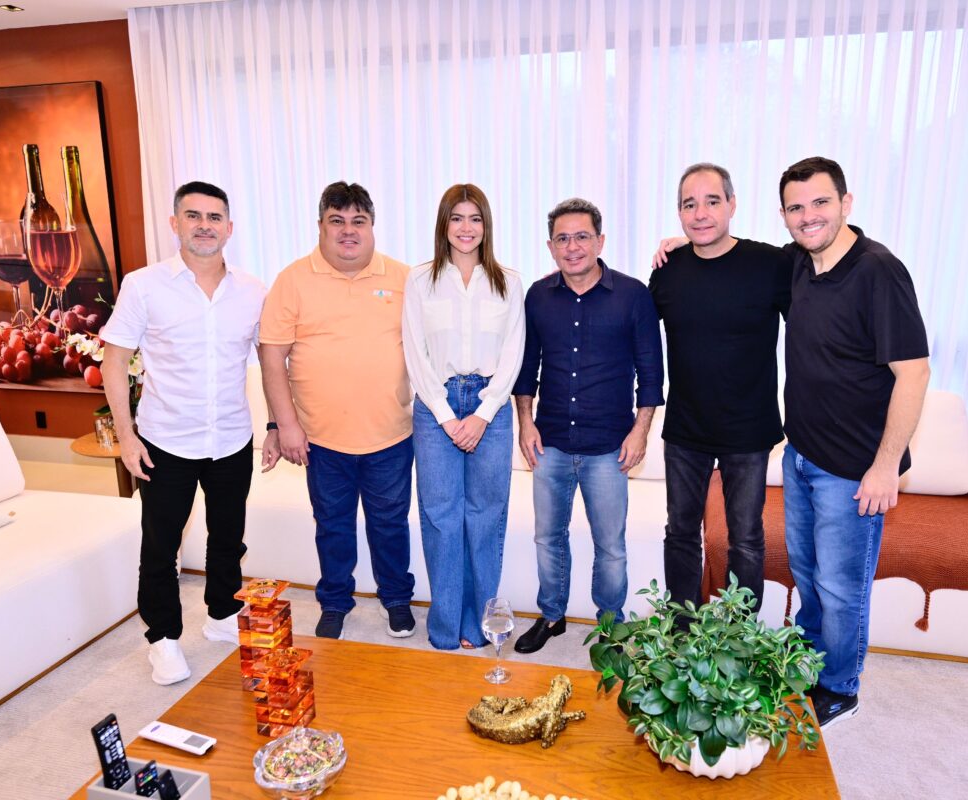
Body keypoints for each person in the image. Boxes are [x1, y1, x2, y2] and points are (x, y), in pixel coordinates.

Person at [101, 181, 275, 686]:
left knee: (228, 538)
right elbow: (114, 363)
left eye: (214, 217)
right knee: (160, 547)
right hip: (165, 441)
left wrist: (273, 425)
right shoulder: (143, 285)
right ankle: (163, 639)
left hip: (231, 438)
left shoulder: (252, 290)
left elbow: (270, 363)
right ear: (175, 223)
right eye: (193, 216)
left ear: (229, 228)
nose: (204, 225)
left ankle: (223, 614)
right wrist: (126, 436)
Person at [778, 157, 930, 727]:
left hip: (853, 470)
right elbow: (738, 256)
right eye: (796, 207)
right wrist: (681, 241)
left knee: (842, 588)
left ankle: (840, 686)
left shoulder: (878, 271)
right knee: (808, 573)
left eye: (820, 202)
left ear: (846, 203)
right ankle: (808, 663)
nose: (808, 216)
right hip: (801, 455)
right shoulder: (800, 262)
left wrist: (885, 467)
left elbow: (914, 372)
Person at [259, 181, 416, 641]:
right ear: (321, 226)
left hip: (390, 435)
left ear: (372, 226)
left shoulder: (404, 278)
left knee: (390, 525)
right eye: (337, 221)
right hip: (320, 439)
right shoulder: (292, 280)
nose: (348, 231)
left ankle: (396, 599)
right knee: (332, 527)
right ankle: (334, 602)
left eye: (358, 221)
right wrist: (284, 425)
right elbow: (272, 358)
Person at [512, 198, 664, 654]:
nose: (572, 246)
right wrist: (525, 423)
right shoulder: (538, 296)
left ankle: (611, 626)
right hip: (550, 443)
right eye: (562, 238)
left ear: (600, 241)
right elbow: (526, 369)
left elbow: (651, 373)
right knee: (547, 537)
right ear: (550, 247)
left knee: (610, 545)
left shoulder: (633, 295)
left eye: (582, 236)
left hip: (609, 446)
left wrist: (640, 432)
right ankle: (552, 616)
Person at [648, 163, 791, 614]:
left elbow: (822, 277)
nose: (701, 213)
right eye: (689, 204)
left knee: (745, 537)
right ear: (679, 213)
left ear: (732, 204)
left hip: (748, 430)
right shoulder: (668, 270)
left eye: (712, 201)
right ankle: (681, 630)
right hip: (685, 428)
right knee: (680, 533)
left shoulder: (770, 264)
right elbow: (638, 341)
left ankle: (739, 634)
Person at [402, 184, 526, 650]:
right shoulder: (420, 280)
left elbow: (513, 353)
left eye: (475, 218)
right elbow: (415, 353)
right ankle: (445, 627)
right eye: (457, 218)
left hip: (489, 406)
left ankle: (479, 625)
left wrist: (483, 413)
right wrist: (446, 416)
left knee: (485, 517)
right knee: (441, 517)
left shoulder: (508, 281)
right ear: (444, 224)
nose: (466, 227)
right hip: (436, 405)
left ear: (486, 225)